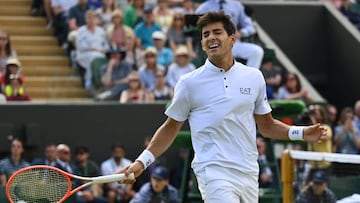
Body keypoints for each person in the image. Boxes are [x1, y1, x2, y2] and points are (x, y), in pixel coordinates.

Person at [116, 11, 328, 202]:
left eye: (217, 32)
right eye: (206, 34)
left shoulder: (254, 77)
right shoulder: (189, 82)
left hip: (248, 172)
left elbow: (267, 126)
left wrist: (301, 133)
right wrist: (141, 162)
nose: (210, 37)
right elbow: (171, 127)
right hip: (213, 171)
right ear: (202, 44)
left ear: (232, 39)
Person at [195, 0, 264, 69]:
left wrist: (241, 33)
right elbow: (194, 25)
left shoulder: (237, 5)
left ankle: (249, 77)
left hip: (234, 43)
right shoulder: (204, 7)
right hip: (213, 45)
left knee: (257, 52)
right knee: (226, 60)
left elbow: (250, 27)